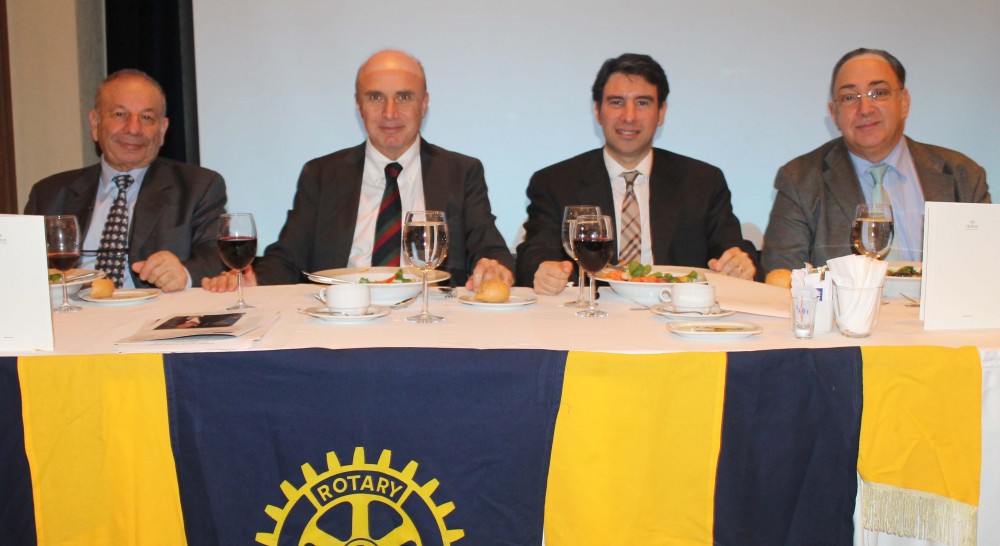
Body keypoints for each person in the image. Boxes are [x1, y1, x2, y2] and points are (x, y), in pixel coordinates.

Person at [202, 49, 513, 292]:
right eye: (375, 97)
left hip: (429, 316)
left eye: (404, 97)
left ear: (424, 104)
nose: (389, 113)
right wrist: (253, 280)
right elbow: (287, 258)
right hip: (342, 318)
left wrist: (494, 268)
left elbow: (492, 250)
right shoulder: (321, 174)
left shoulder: (461, 172)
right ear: (358, 105)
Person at [515, 53, 759, 295]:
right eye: (616, 102)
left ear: (661, 112)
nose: (629, 117)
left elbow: (731, 249)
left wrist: (739, 264)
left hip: (675, 310)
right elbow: (535, 253)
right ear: (598, 111)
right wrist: (543, 270)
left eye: (642, 103)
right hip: (594, 313)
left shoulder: (702, 181)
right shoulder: (554, 182)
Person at [762, 48, 990, 274]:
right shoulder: (800, 180)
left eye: (878, 93)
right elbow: (781, 277)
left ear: (904, 102)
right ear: (834, 114)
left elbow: (986, 269)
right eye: (849, 97)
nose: (865, 109)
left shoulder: (961, 175)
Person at [24, 69, 227, 292]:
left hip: (155, 310)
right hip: (71, 310)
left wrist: (184, 273)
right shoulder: (49, 194)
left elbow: (216, 254)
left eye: (146, 118)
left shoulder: (198, 187)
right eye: (120, 114)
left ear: (162, 130)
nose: (133, 128)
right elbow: (20, 268)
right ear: (95, 123)